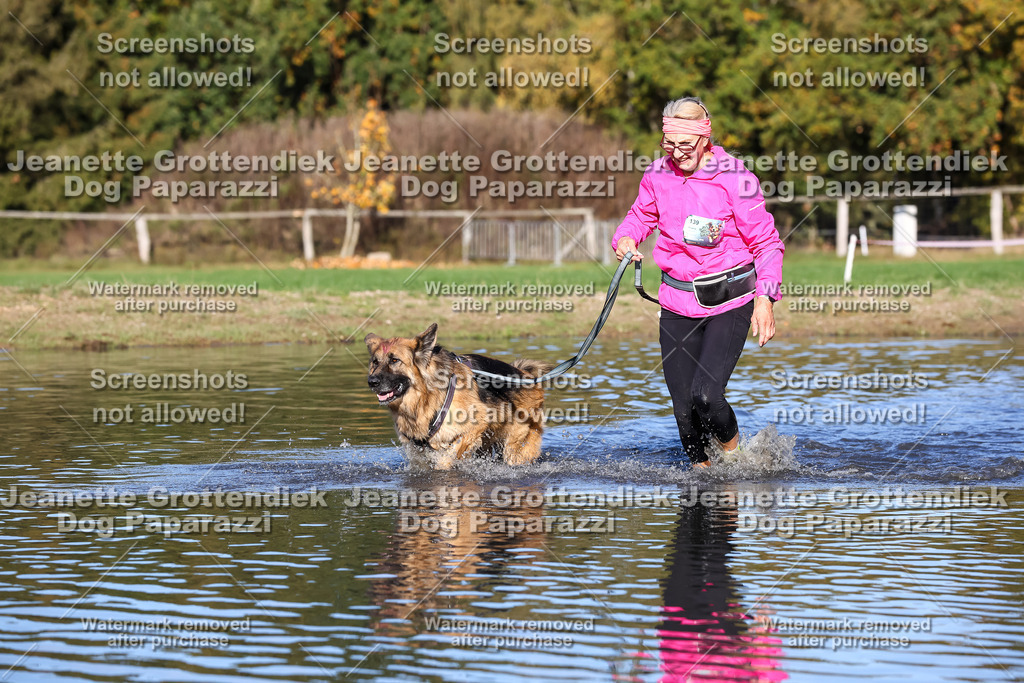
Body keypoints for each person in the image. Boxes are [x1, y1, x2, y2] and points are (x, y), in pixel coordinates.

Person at [613, 96, 784, 466]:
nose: (677, 152)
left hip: (729, 299)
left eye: (685, 145)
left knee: (706, 395)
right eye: (669, 144)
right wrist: (626, 237)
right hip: (676, 303)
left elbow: (767, 243)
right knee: (684, 412)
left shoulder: (735, 177)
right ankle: (701, 481)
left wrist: (765, 298)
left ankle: (739, 465)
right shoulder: (658, 175)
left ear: (705, 137)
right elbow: (640, 216)